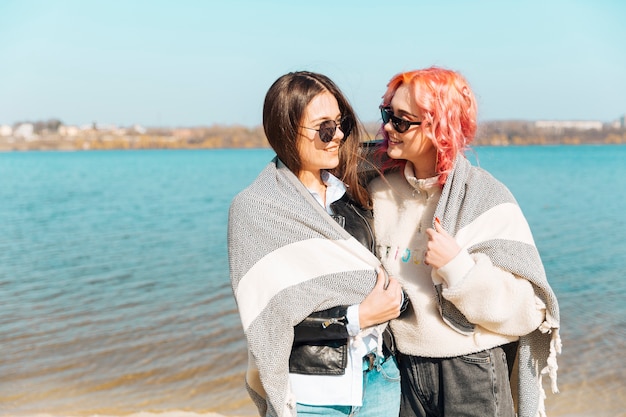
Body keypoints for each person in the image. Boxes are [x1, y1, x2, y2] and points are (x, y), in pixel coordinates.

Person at [367, 67, 561, 417]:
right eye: (387, 115)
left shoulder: (485, 198)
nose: (388, 128)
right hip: (399, 369)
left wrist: (459, 269)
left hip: (469, 371)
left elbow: (530, 310)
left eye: (403, 121)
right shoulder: (375, 188)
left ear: (439, 126)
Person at [228, 71, 405, 417]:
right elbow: (268, 318)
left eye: (341, 123)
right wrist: (355, 317)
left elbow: (414, 152)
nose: (337, 135)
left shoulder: (354, 191)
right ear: (287, 130)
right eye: (325, 127)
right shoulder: (257, 209)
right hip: (313, 394)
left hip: (380, 380)